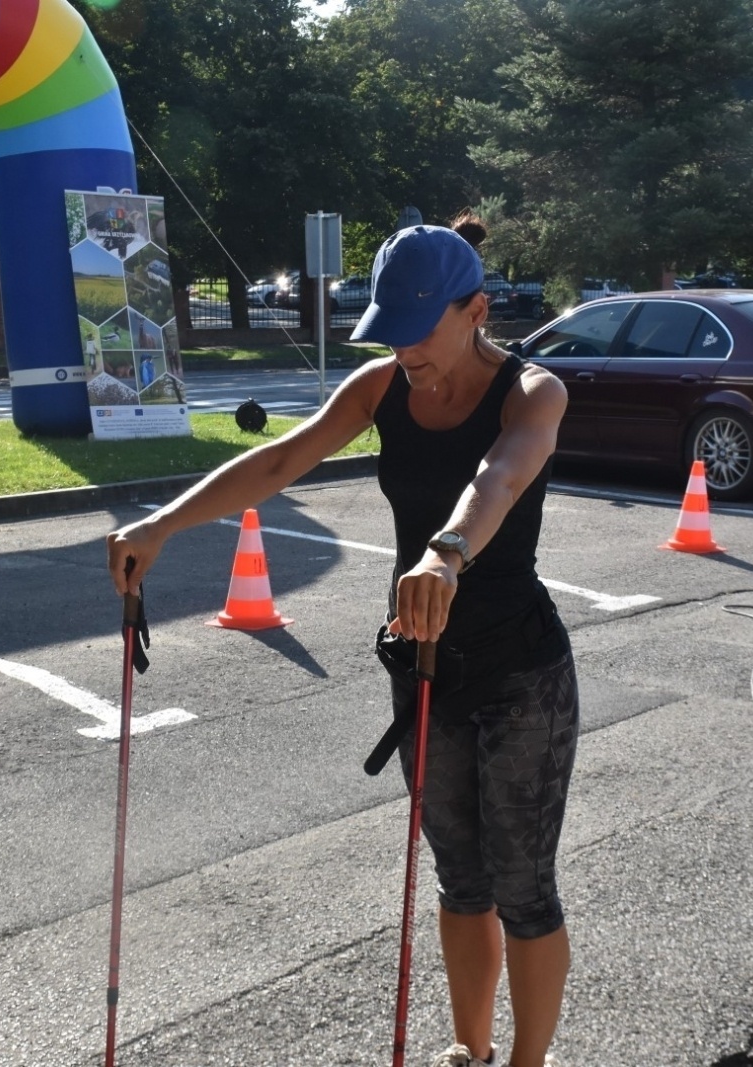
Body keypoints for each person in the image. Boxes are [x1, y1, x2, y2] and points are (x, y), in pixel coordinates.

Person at [106, 215, 578, 1067]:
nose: (402, 351)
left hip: (521, 673)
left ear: (475, 310)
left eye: (416, 330)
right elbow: (280, 462)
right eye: (388, 332)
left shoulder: (533, 391)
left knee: (523, 889)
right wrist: (166, 522)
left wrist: (447, 550)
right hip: (426, 667)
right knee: (460, 881)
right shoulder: (380, 385)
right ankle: (469, 1052)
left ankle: (527, 1063)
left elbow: (499, 474)